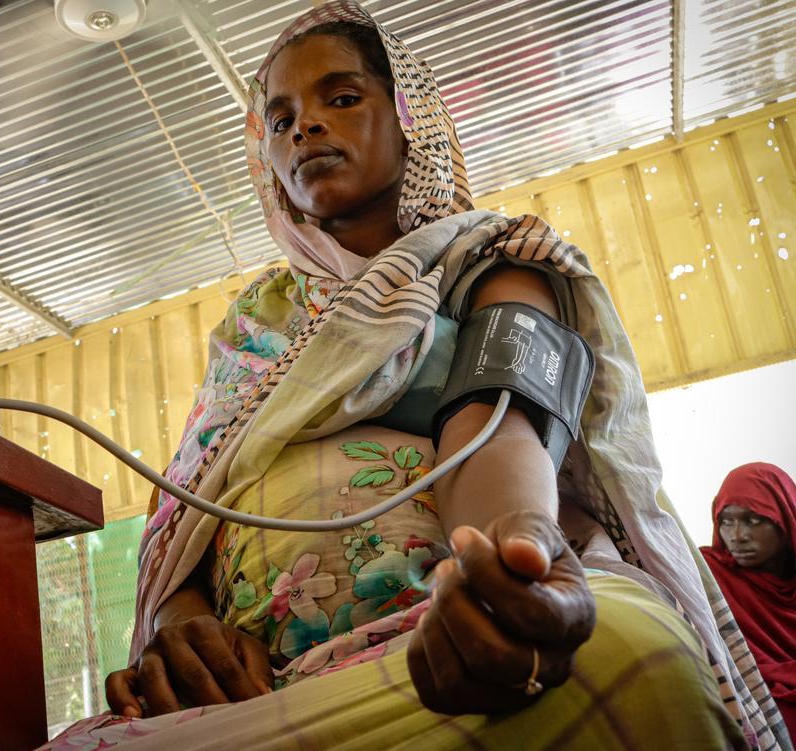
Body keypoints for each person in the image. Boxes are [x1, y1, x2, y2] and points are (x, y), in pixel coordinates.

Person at [39, 3, 788, 748]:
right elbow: (192, 515)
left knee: (629, 657)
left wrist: (505, 568)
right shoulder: (252, 325)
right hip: (263, 686)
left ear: (410, 120)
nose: (304, 127)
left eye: (341, 97)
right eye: (279, 119)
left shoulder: (499, 260)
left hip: (441, 640)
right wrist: (181, 628)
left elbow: (499, 427)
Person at [701, 463, 796, 734]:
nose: (737, 536)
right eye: (726, 521)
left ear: (786, 518)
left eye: (753, 521)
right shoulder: (707, 575)